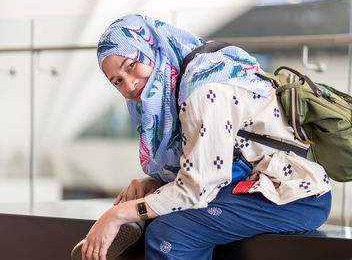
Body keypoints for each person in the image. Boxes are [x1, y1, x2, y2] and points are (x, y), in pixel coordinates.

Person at [76, 14, 332, 260]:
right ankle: (138, 221)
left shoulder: (201, 87)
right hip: (248, 185)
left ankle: (136, 222)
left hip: (294, 195)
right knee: (160, 212)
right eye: (117, 81)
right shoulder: (181, 78)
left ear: (152, 47)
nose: (130, 85)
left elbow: (196, 189)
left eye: (131, 66)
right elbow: (206, 164)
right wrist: (153, 185)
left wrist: (116, 215)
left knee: (170, 233)